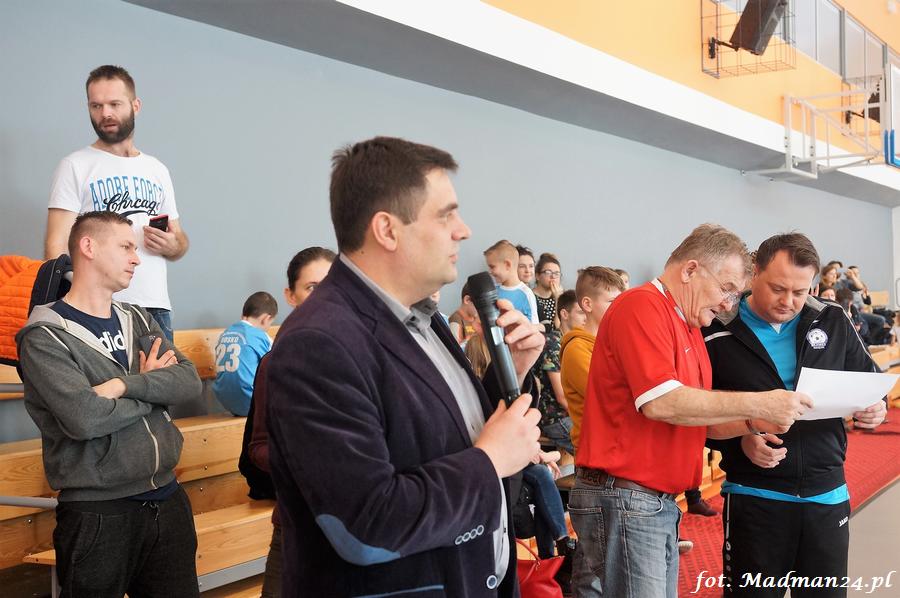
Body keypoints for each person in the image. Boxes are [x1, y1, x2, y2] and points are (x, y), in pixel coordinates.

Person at [265, 136, 547, 597]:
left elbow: (449, 436)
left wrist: (508, 373)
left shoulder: (422, 317)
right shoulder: (318, 342)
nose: (464, 231)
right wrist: (489, 462)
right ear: (387, 230)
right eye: (446, 215)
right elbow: (367, 525)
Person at [570, 224, 813, 598]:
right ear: (690, 270)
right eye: (726, 289)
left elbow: (698, 417)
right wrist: (761, 401)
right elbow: (661, 402)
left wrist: (752, 422)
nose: (728, 304)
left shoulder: (690, 325)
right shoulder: (641, 305)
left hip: (651, 500)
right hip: (628, 494)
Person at [16, 211, 202, 597]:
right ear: (88, 246)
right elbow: (85, 417)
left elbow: (188, 382)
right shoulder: (44, 336)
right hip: (99, 515)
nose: (137, 259)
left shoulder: (138, 318)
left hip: (168, 500)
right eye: (126, 247)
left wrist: (122, 385)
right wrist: (152, 392)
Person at [704, 233, 887, 598]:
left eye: (800, 292)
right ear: (755, 272)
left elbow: (869, 381)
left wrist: (876, 408)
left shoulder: (832, 318)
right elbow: (697, 411)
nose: (788, 302)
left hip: (826, 495)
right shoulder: (716, 327)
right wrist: (742, 438)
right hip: (755, 497)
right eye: (778, 289)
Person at [45, 65, 189, 341]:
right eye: (96, 105)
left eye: (114, 104)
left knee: (164, 372)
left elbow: (179, 240)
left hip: (155, 307)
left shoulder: (157, 169)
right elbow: (56, 247)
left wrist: (172, 245)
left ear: (135, 106)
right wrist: (81, 300)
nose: (105, 113)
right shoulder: (75, 166)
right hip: (99, 307)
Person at [242, 247, 336, 598]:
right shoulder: (275, 362)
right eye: (312, 287)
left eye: (332, 284)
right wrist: (305, 460)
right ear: (290, 295)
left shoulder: (367, 354)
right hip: (296, 526)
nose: (324, 295)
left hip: (359, 526)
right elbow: (258, 447)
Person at [560, 266, 625, 451]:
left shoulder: (613, 342)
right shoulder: (576, 348)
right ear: (588, 304)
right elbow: (610, 397)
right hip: (596, 452)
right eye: (612, 301)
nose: (619, 307)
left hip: (618, 447)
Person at [212, 292, 277, 416]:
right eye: (270, 323)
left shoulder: (225, 333)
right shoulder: (261, 337)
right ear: (265, 319)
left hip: (226, 401)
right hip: (252, 402)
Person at [536, 290, 583, 455]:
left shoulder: (576, 341)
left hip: (571, 413)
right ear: (564, 314)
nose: (586, 317)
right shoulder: (553, 344)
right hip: (556, 417)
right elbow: (561, 397)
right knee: (595, 448)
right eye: (580, 312)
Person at [484, 240, 540, 324]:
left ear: (507, 265)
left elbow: (533, 325)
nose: (490, 271)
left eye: (492, 267)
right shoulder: (493, 290)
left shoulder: (526, 293)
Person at [533, 253, 563, 329]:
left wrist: (558, 299)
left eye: (557, 273)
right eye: (548, 272)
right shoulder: (529, 296)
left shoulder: (562, 298)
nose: (553, 276)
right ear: (537, 276)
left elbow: (560, 328)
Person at [449, 281, 481, 347]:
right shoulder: (456, 319)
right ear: (467, 300)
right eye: (480, 304)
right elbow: (455, 348)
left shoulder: (476, 319)